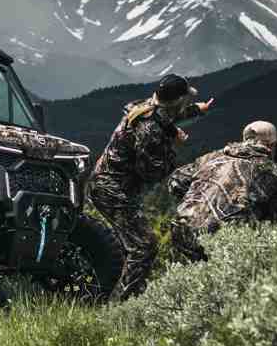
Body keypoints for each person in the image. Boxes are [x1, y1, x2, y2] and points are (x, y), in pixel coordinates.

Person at [88, 73, 214, 300]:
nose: (187, 101)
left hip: (107, 185)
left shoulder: (147, 106)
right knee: (144, 246)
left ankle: (113, 292)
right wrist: (173, 145)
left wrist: (198, 110)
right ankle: (120, 306)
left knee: (131, 243)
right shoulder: (150, 131)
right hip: (112, 191)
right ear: (177, 100)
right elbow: (151, 171)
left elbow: (166, 117)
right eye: (186, 99)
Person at [170, 120, 277, 263]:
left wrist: (201, 198)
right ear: (272, 146)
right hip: (221, 237)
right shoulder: (271, 172)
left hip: (181, 229)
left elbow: (175, 182)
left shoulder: (212, 157)